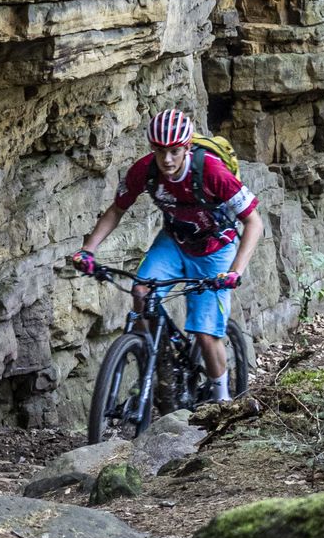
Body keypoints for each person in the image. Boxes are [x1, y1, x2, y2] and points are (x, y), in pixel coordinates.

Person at [70, 108, 263, 402]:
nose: (167, 159)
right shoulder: (144, 170)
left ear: (186, 147)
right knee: (141, 292)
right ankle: (160, 368)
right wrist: (89, 249)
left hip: (215, 251)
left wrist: (235, 271)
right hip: (174, 242)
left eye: (174, 151)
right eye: (160, 152)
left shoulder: (212, 171)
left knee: (205, 334)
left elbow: (254, 222)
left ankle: (224, 403)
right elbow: (116, 210)